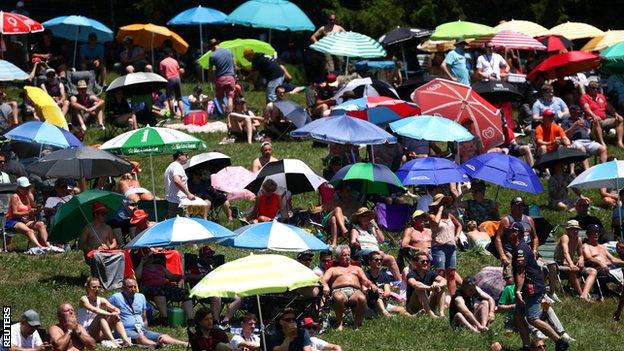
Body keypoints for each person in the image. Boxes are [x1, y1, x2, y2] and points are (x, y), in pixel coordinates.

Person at [509, 224, 570, 351]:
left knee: (532, 319)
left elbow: (521, 272)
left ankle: (560, 342)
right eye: (509, 231)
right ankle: (526, 347)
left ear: (519, 234)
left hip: (532, 288)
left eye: (512, 231)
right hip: (527, 287)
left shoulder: (520, 249)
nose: (509, 233)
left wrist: (518, 290)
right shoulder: (518, 248)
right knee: (519, 317)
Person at [497, 271, 574, 343]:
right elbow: (499, 307)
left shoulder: (531, 287)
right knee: (525, 310)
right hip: (518, 317)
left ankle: (562, 333)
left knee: (548, 309)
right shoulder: (508, 289)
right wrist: (512, 306)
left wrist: (545, 304)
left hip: (534, 315)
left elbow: (542, 300)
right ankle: (537, 333)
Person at [109, 278, 186, 347]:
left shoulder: (141, 297)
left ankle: (184, 344)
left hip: (141, 329)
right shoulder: (116, 298)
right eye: (130, 287)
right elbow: (108, 315)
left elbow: (144, 317)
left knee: (163, 336)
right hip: (125, 330)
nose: (133, 289)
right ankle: (156, 345)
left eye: (135, 286)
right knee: (141, 338)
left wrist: (145, 329)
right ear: (123, 288)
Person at [321, 245, 378, 330]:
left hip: (355, 291)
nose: (347, 257)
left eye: (348, 255)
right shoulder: (332, 269)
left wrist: (371, 285)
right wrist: (325, 286)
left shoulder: (357, 268)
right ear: (337, 257)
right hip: (339, 290)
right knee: (338, 297)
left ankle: (357, 324)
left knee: (362, 298)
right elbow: (323, 280)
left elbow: (365, 280)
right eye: (344, 255)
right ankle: (339, 323)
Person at [185, 246, 242, 327]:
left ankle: (226, 320)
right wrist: (203, 276)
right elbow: (187, 277)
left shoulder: (211, 266)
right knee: (216, 296)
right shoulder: (195, 266)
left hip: (216, 288)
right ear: (201, 257)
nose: (210, 259)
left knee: (239, 296)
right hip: (202, 291)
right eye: (208, 257)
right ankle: (215, 322)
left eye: (212, 257)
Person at [135, 252, 195, 323]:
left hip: (165, 287)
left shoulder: (160, 267)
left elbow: (171, 276)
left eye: (152, 257)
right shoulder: (141, 268)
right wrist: (142, 263)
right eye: (148, 257)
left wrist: (182, 276)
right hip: (150, 289)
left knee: (185, 293)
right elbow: (137, 276)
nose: (151, 258)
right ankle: (165, 318)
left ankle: (190, 319)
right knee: (159, 291)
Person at [77, 277, 133, 348]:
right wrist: (110, 313)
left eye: (99, 287)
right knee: (101, 316)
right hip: (86, 333)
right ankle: (114, 341)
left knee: (114, 317)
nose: (97, 289)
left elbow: (114, 308)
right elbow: (95, 310)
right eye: (94, 287)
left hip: (98, 333)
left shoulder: (101, 299)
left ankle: (126, 341)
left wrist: (116, 312)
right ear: (88, 288)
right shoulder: (83, 299)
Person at [350, 207, 401, 281]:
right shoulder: (356, 228)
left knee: (391, 259)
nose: (366, 218)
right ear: (359, 218)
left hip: (377, 254)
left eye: (367, 216)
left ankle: (399, 282)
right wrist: (356, 244)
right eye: (363, 216)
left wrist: (376, 226)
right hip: (362, 252)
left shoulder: (372, 228)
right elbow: (353, 241)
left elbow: (382, 240)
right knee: (378, 253)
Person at [555, 220, 597, 302]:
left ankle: (584, 294)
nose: (575, 231)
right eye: (572, 229)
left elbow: (581, 255)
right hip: (559, 264)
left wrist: (581, 260)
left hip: (569, 263)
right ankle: (581, 295)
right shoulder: (565, 237)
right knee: (572, 270)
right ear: (567, 230)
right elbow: (565, 252)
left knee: (593, 271)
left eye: (577, 229)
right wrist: (571, 264)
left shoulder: (578, 239)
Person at [428, 194, 461, 296]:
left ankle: (453, 297)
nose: (445, 205)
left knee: (451, 273)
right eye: (442, 202)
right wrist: (440, 210)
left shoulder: (450, 216)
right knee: (440, 273)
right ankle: (438, 296)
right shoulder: (431, 215)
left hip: (451, 247)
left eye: (445, 203)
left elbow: (459, 225)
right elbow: (436, 222)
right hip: (439, 247)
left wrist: (457, 236)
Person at [6, 176, 48, 248]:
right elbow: (15, 213)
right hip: (14, 221)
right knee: (30, 231)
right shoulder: (15, 197)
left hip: (25, 221)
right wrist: (29, 212)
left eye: (28, 187)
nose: (27, 190)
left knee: (41, 224)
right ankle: (40, 247)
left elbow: (33, 208)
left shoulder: (28, 195)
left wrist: (38, 209)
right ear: (18, 188)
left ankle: (46, 245)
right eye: (24, 188)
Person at [580, 80, 624, 147]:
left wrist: (616, 114)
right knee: (596, 120)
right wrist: (594, 116)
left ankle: (619, 142)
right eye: (593, 88)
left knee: (620, 119)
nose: (595, 90)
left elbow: (609, 107)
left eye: (597, 88)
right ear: (589, 88)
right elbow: (586, 108)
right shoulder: (584, 97)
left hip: (604, 119)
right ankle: (602, 143)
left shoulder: (601, 96)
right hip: (591, 120)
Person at [561, 105, 607, 169]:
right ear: (571, 112)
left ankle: (603, 170)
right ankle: (587, 172)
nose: (578, 114)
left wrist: (593, 127)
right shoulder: (566, 121)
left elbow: (590, 134)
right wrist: (574, 126)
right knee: (582, 150)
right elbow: (565, 135)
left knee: (602, 149)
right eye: (576, 113)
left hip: (588, 141)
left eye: (579, 113)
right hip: (575, 141)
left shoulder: (584, 121)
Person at [365, 251, 409, 317]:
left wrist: (383, 294)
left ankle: (414, 317)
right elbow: (364, 289)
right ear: (369, 262)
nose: (379, 262)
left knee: (401, 309)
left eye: (381, 260)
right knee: (377, 296)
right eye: (376, 260)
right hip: (370, 304)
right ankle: (385, 314)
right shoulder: (366, 275)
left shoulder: (384, 275)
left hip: (383, 302)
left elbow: (387, 291)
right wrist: (377, 292)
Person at [405, 250, 447, 317]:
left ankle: (441, 313)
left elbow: (444, 280)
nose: (425, 263)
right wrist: (430, 288)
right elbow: (415, 284)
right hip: (413, 307)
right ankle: (431, 315)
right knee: (420, 289)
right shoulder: (411, 274)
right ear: (416, 263)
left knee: (441, 288)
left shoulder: (431, 273)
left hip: (427, 302)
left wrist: (437, 285)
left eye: (427, 261)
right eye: (422, 261)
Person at [208, 39, 236, 115]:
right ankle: (230, 114)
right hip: (230, 77)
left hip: (220, 78)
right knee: (230, 97)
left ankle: (224, 113)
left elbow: (210, 70)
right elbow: (234, 64)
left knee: (219, 98)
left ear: (211, 46)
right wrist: (235, 74)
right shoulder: (229, 51)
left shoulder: (212, 56)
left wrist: (210, 79)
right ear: (218, 43)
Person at [164, 151, 195, 218]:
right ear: (179, 156)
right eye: (186, 155)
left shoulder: (171, 166)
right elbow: (177, 180)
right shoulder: (177, 166)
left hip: (172, 201)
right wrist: (188, 194)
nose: (188, 157)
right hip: (178, 202)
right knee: (183, 224)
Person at [159, 48, 184, 118]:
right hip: (177, 79)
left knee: (170, 98)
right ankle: (182, 114)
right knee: (179, 98)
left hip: (169, 79)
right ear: (170, 54)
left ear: (163, 54)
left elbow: (162, 74)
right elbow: (178, 70)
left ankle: (174, 114)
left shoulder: (162, 62)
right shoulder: (175, 61)